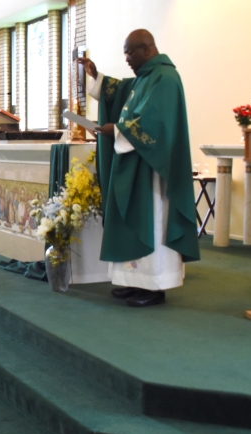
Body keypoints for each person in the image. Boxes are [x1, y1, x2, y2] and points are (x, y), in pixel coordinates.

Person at [78, 29, 199, 308]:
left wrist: (117, 130)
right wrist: (97, 77)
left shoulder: (165, 78)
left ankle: (155, 285)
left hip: (153, 171)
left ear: (147, 49)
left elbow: (154, 123)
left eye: (130, 53)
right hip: (137, 164)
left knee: (153, 220)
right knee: (135, 220)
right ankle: (135, 281)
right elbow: (123, 92)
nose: (127, 59)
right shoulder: (147, 78)